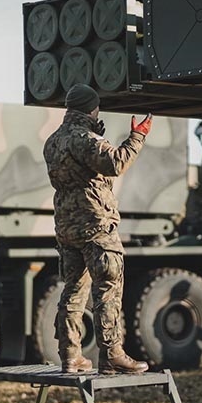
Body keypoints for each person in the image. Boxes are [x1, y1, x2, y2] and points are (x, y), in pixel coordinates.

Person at [43, 83, 151, 374]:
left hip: (67, 226)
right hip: (96, 224)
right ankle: (112, 353)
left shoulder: (52, 141)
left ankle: (70, 355)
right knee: (108, 289)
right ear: (92, 108)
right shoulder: (84, 138)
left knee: (73, 292)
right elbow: (115, 163)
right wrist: (138, 136)